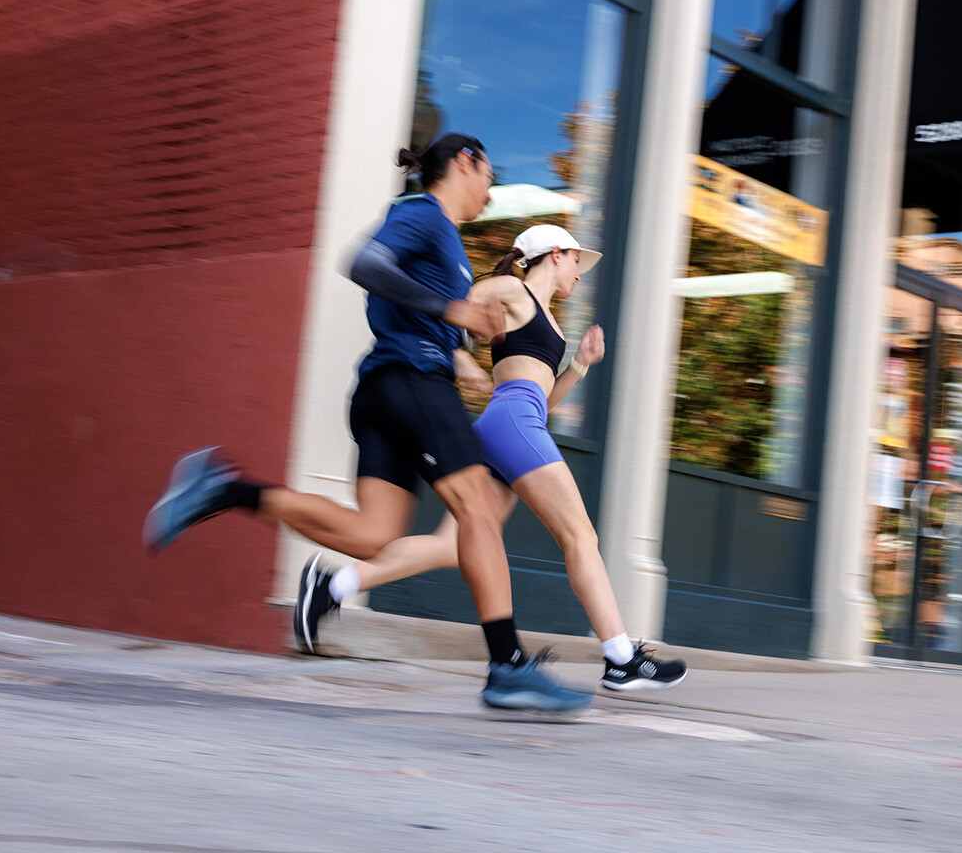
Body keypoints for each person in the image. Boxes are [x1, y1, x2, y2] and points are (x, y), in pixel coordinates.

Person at [144, 134, 592, 714]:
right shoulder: (422, 213)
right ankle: (508, 665)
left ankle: (223, 488)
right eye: (489, 176)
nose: (490, 190)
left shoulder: (445, 241)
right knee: (479, 508)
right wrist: (451, 312)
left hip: (386, 388)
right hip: (410, 380)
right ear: (465, 162)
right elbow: (364, 263)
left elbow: (409, 299)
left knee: (373, 535)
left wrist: (458, 341)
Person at [295, 224, 688, 693]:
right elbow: (458, 304)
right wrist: (457, 355)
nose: (580, 276)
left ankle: (332, 588)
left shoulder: (550, 318)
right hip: (513, 422)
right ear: (555, 255)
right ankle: (620, 658)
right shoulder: (512, 289)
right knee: (580, 535)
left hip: (517, 422)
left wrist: (579, 365)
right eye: (576, 263)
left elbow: (546, 400)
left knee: (451, 545)